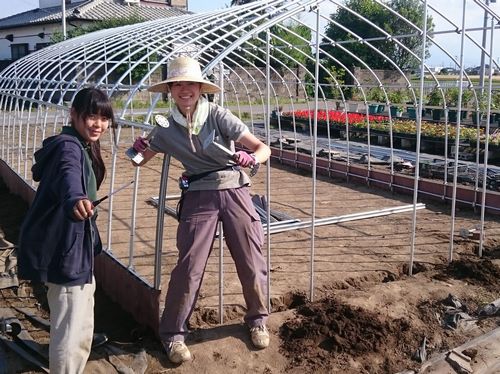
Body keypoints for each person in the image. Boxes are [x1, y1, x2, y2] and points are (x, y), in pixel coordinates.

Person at [130, 56, 271, 364]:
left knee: (250, 257)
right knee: (189, 266)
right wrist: (138, 148)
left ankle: (257, 319)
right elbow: (138, 161)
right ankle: (173, 336)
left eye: (190, 84)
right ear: (170, 90)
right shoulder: (165, 127)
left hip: (235, 190)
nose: (185, 90)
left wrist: (251, 159)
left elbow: (263, 149)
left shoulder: (218, 115)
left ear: (200, 88)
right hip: (198, 195)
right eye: (178, 84)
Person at [18, 87, 114, 373]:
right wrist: (76, 198)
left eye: (104, 118)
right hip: (63, 247)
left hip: (73, 245)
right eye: (91, 116)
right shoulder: (68, 147)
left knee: (80, 321)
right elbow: (68, 174)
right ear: (74, 114)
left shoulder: (82, 143)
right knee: (70, 328)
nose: (98, 124)